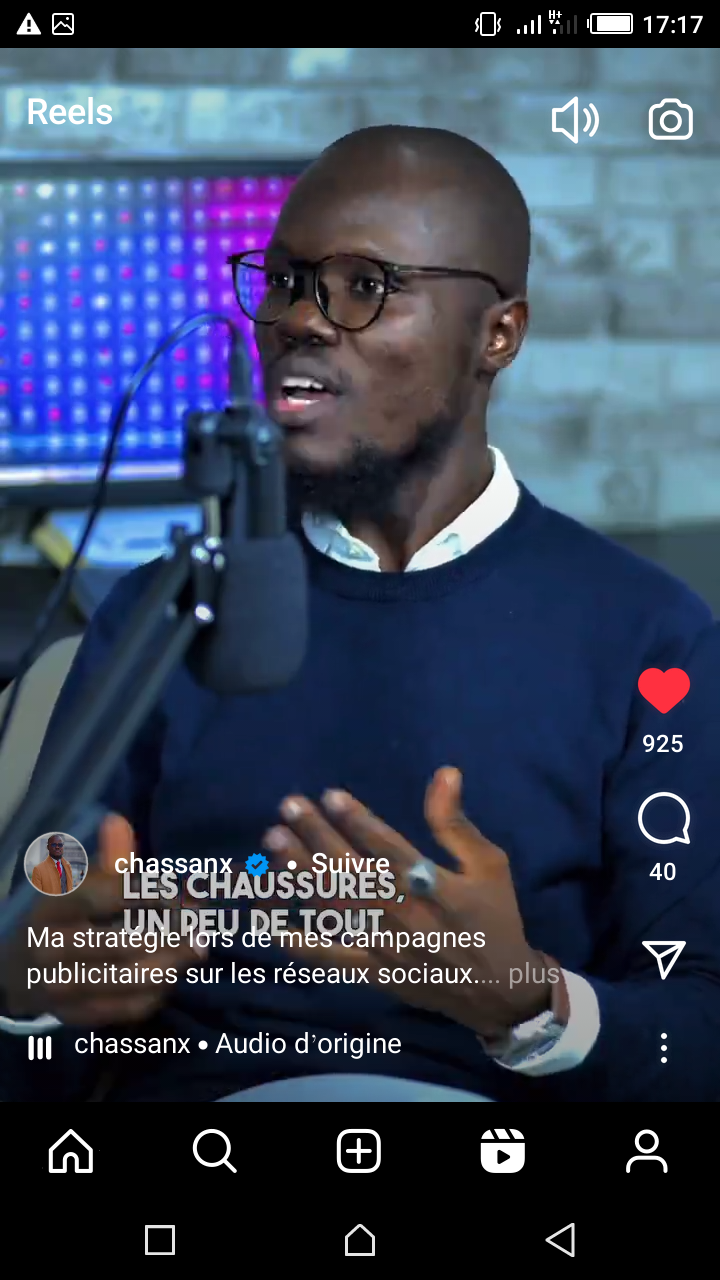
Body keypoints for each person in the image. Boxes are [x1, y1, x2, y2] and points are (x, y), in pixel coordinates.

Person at [2, 124, 720, 1103]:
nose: (301, 317)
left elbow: (698, 1034)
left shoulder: (652, 638)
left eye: (365, 285)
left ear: (498, 335)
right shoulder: (159, 613)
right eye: (286, 280)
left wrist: (527, 1000)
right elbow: (37, 1004)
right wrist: (34, 995)